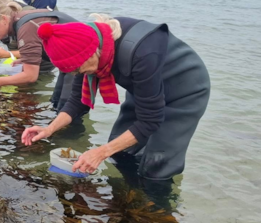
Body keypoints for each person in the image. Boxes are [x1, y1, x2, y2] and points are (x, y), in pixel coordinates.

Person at [22, 14, 211, 180]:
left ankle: (157, 212)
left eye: (78, 68)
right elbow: (77, 102)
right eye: (73, 70)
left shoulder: (142, 52)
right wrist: (49, 129)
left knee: (157, 163)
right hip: (145, 88)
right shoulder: (86, 47)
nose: (79, 72)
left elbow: (150, 121)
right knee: (121, 149)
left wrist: (100, 152)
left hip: (185, 90)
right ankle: (125, 196)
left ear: (92, 50)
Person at [0, 0, 78, 91]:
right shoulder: (20, 19)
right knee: (56, 101)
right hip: (68, 59)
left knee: (67, 103)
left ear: (4, 19)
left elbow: (31, 76)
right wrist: (26, 59)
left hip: (83, 55)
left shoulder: (26, 28)